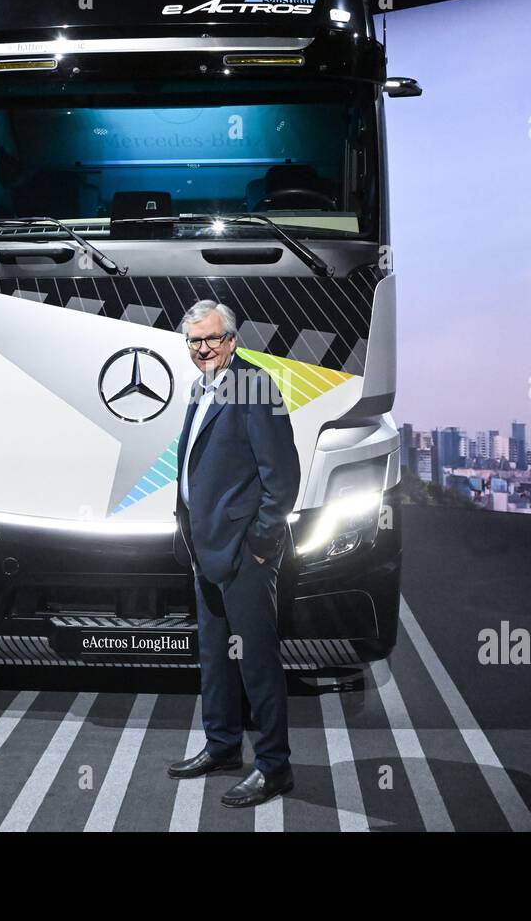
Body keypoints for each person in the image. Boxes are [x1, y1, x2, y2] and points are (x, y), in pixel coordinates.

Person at [167, 299, 300, 807]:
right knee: (216, 657)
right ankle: (222, 746)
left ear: (232, 340)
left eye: (212, 339)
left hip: (244, 554)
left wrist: (261, 545)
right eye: (195, 341)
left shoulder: (253, 386)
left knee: (258, 664)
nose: (203, 348)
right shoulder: (201, 389)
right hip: (205, 549)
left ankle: (274, 768)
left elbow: (282, 476)